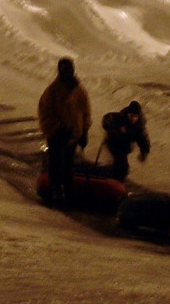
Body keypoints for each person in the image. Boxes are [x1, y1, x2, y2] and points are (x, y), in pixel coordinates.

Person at [37, 57, 92, 206]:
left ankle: (67, 190)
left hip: (73, 134)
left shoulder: (79, 90)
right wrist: (55, 129)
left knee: (68, 164)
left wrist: (83, 131)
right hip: (57, 134)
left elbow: (85, 112)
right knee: (56, 163)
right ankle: (56, 190)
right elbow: (45, 112)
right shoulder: (52, 91)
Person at [100, 100, 150, 182]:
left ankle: (115, 180)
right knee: (120, 165)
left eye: (135, 116)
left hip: (124, 147)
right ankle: (112, 181)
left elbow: (143, 140)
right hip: (113, 144)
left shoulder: (138, 127)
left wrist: (144, 153)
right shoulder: (119, 117)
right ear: (127, 114)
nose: (133, 119)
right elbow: (106, 120)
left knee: (123, 167)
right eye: (131, 116)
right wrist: (117, 129)